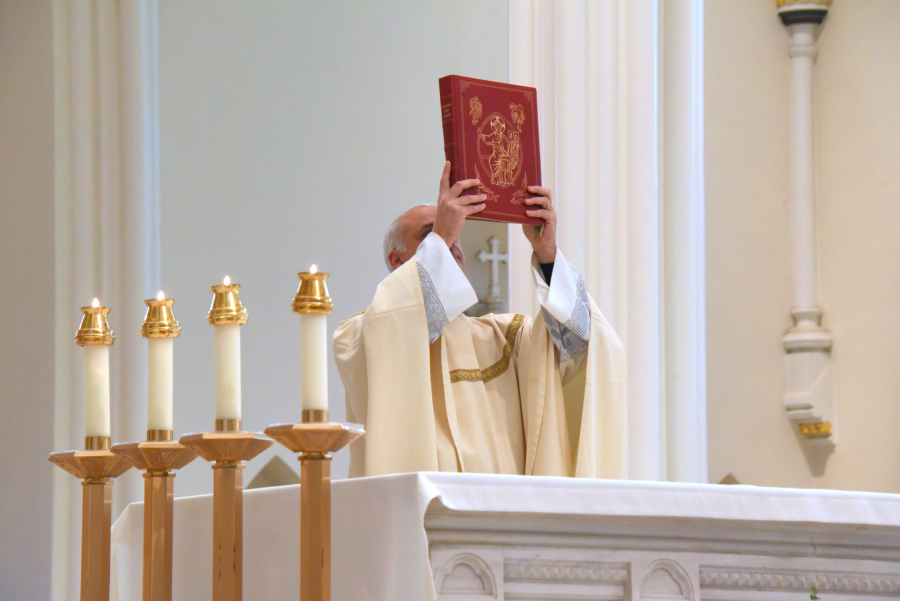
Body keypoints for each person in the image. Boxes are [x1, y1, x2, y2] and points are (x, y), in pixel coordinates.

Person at [333, 162, 626, 479]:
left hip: (507, 519)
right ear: (396, 259)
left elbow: (581, 347)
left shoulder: (506, 338)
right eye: (431, 234)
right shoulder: (363, 334)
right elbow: (396, 324)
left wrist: (547, 254)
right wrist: (442, 238)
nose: (453, 243)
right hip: (426, 519)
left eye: (456, 233)